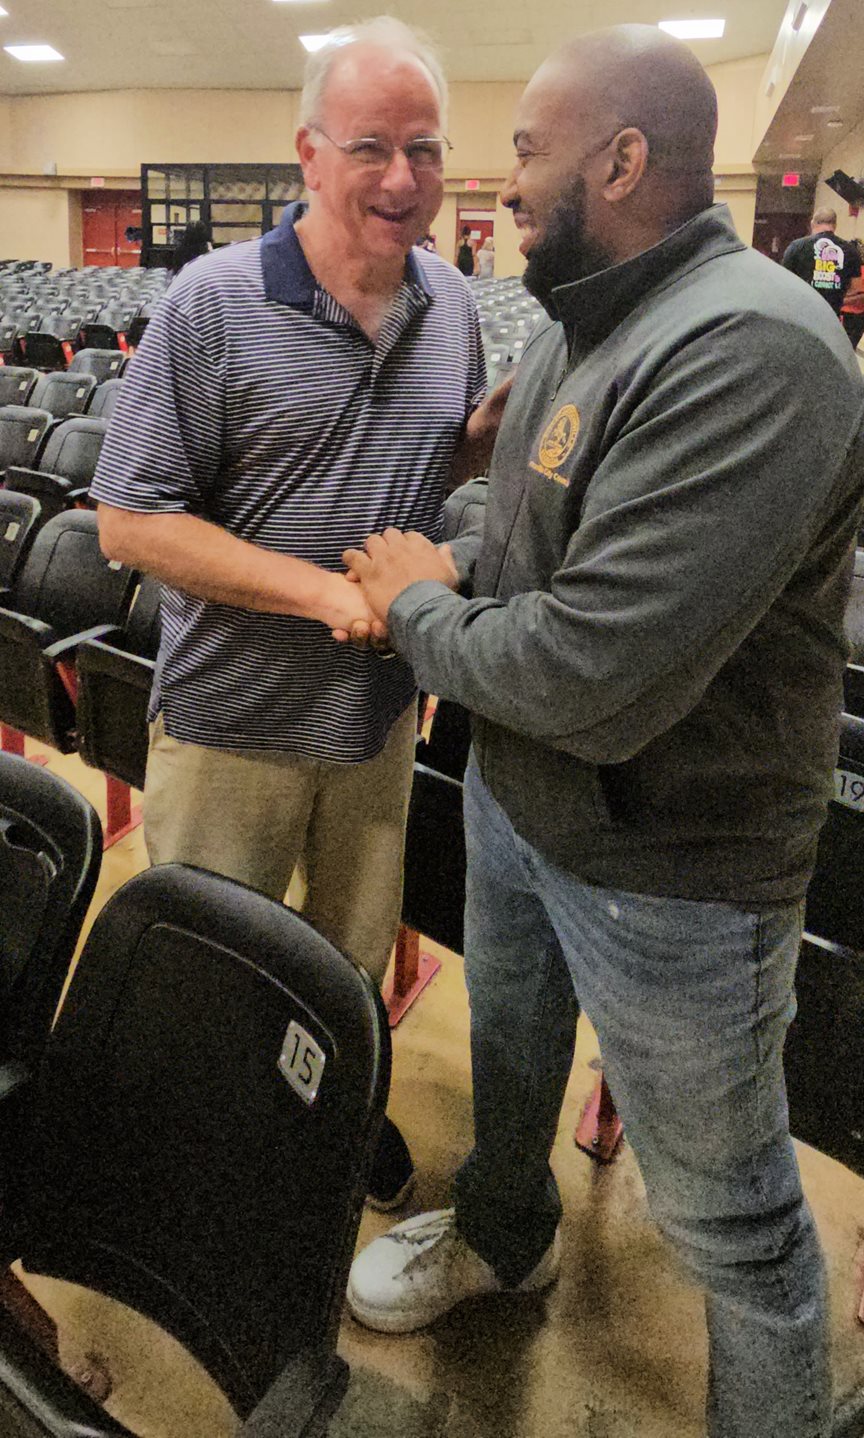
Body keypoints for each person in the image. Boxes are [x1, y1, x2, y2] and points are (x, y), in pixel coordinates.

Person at [341, 23, 864, 1438]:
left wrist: (409, 609)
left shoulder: (750, 346)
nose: (501, 183)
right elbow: (515, 534)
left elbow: (590, 665)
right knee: (511, 1072)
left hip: (674, 872)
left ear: (623, 159)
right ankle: (507, 1233)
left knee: (730, 1219)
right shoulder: (589, 314)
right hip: (527, 802)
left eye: (525, 150)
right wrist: (453, 547)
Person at [90, 18, 504, 1211]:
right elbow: (129, 522)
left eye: (423, 148)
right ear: (308, 156)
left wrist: (479, 446)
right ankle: (214, 1176)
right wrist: (327, 591)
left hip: (374, 725)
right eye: (369, 146)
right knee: (220, 970)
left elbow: (419, 473)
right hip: (232, 722)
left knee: (346, 962)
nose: (399, 177)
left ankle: (328, 1122)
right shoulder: (213, 306)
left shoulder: (451, 306)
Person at [781, 206, 861, 316]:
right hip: (831, 315)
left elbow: (784, 281)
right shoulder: (850, 250)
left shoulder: (797, 246)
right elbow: (856, 287)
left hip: (801, 312)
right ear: (835, 225)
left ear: (812, 224)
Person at [839, 238, 864, 350]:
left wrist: (843, 300)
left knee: (847, 349)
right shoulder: (843, 268)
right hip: (841, 313)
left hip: (855, 316)